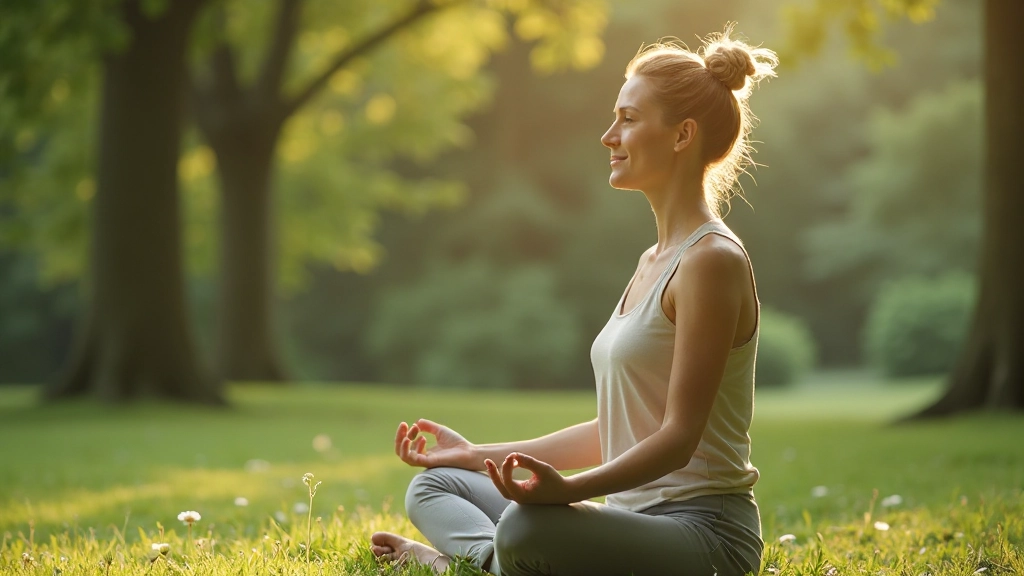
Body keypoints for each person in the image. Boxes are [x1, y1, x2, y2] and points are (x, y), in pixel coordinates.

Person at [370, 24, 778, 576]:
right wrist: (474, 454)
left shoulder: (711, 262)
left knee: (525, 526)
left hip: (704, 535)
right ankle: (496, 562)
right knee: (435, 483)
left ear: (682, 136)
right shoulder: (652, 262)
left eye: (628, 120)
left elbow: (679, 439)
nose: (609, 136)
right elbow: (616, 430)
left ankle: (458, 564)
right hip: (629, 521)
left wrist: (566, 493)